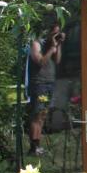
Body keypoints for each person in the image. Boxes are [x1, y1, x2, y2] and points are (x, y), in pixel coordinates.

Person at [28, 23, 64, 155]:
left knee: (43, 115)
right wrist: (52, 48)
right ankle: (33, 146)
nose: (56, 36)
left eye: (58, 33)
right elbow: (40, 61)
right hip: (39, 84)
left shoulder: (53, 46)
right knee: (37, 114)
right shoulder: (37, 44)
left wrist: (58, 45)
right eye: (54, 33)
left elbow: (58, 60)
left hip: (50, 83)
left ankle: (38, 145)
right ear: (47, 33)